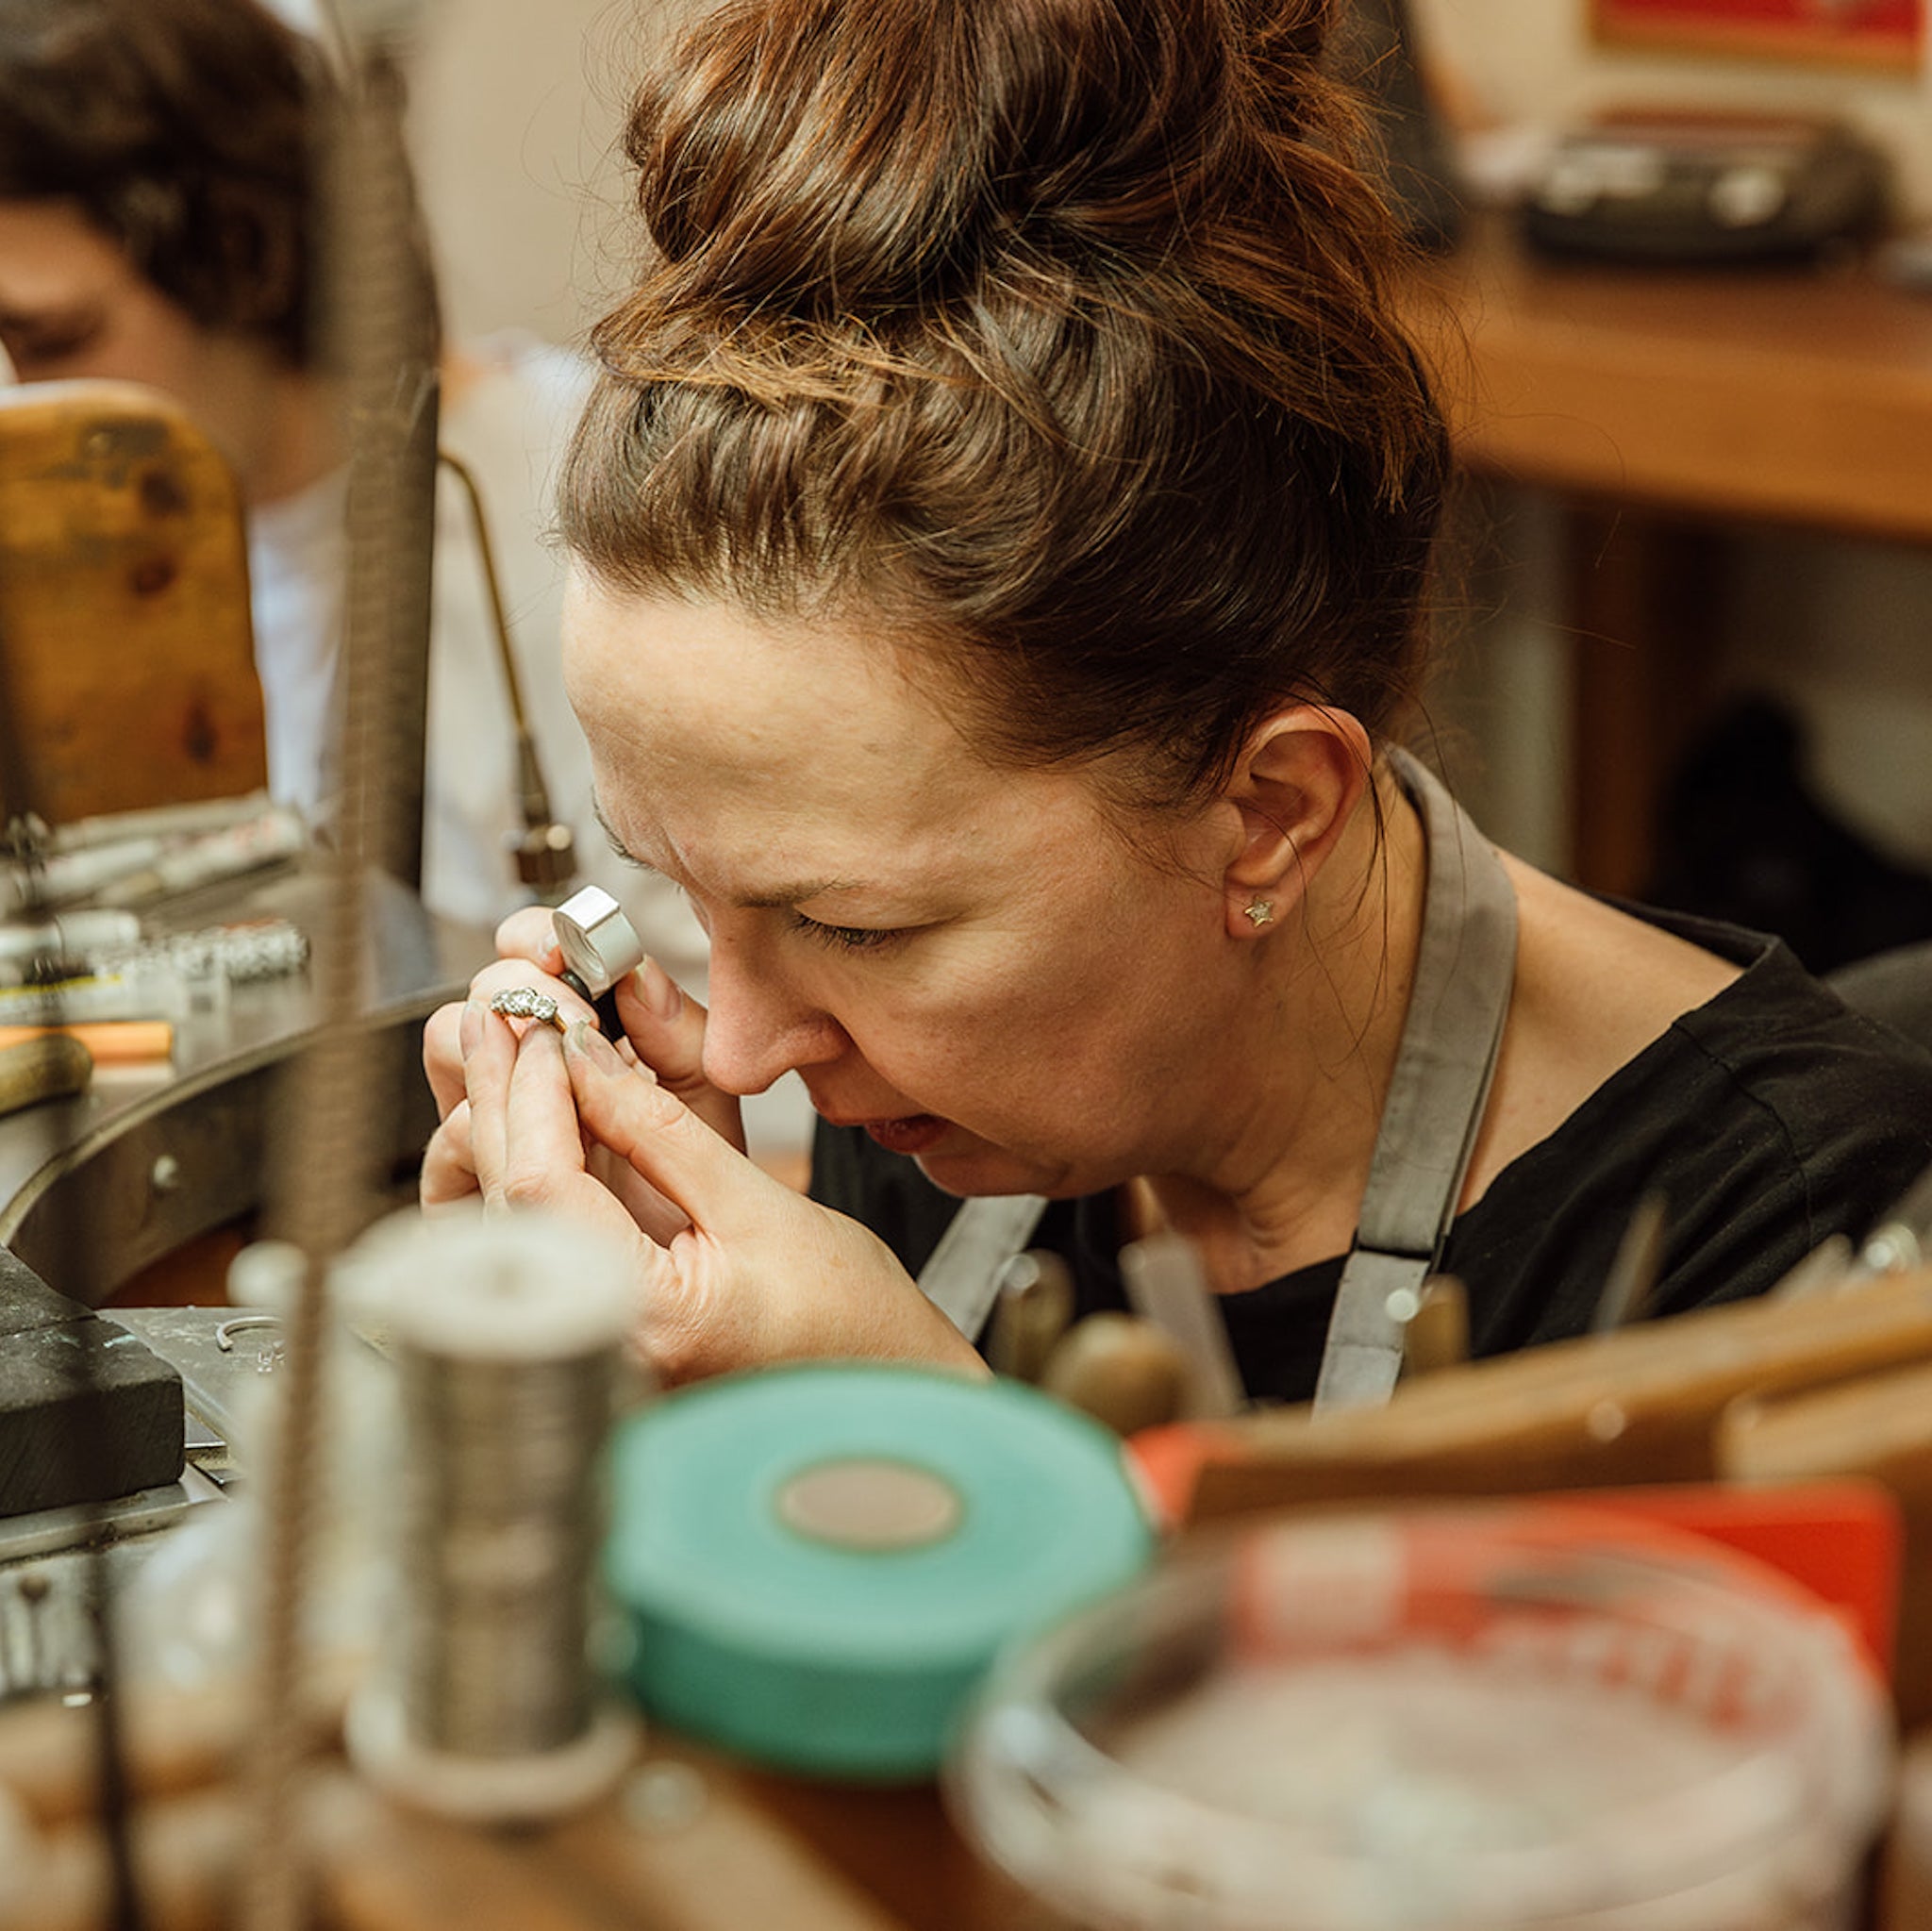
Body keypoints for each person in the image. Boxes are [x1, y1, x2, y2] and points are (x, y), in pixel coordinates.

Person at [421, 0, 1932, 1401]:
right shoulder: (940, 1084)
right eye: (685, 888)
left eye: (854, 928)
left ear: (1270, 812)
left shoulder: (1792, 1248)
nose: (746, 1054)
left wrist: (917, 1425)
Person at [0, 0, 707, 963]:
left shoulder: (609, 504)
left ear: (240, 255)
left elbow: (729, 1017)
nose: (29, 401)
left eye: (56, 339)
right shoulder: (133, 582)